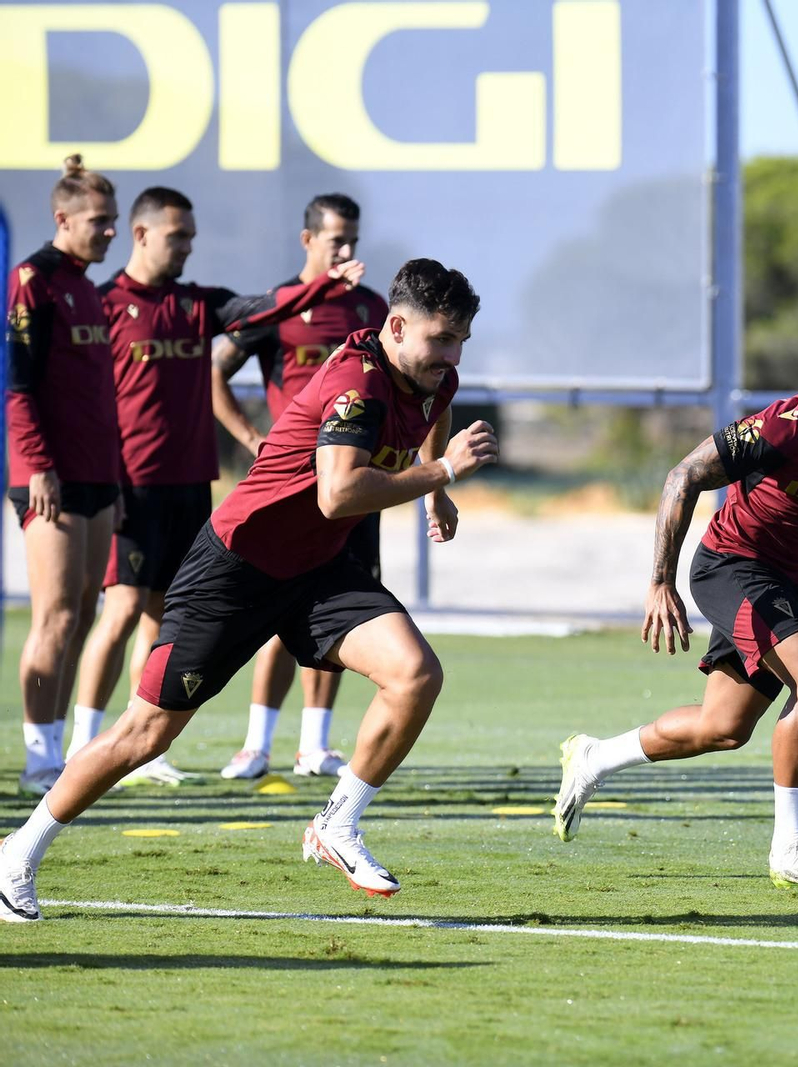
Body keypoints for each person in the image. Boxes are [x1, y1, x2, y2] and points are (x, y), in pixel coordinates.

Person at [0, 259, 497, 922]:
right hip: (238, 566)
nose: (452, 354)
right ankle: (17, 855)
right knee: (146, 733)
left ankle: (337, 825)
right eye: (441, 338)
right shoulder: (358, 382)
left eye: (462, 338)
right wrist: (439, 472)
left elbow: (433, 412)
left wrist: (434, 490)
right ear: (397, 326)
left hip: (320, 567)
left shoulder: (436, 375)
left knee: (416, 674)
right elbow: (339, 492)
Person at [553, 320, 798, 888]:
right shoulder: (787, 425)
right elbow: (683, 475)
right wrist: (659, 581)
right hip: (730, 568)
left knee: (723, 727)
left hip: (784, 585)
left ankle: (594, 757)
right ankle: (790, 846)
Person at [66, 185, 366, 784]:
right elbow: (78, 399)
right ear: (142, 233)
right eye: (178, 237)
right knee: (121, 608)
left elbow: (258, 309)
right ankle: (78, 745)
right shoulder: (104, 306)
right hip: (131, 484)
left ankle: (140, 747)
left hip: (190, 483)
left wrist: (323, 287)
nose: (186, 247)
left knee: (161, 615)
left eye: (192, 238)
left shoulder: (194, 304)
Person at [211, 193, 389, 780]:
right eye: (337, 239)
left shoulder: (370, 308)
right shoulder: (281, 304)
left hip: (352, 486)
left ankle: (314, 744)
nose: (346, 251)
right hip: (288, 490)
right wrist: (250, 437)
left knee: (342, 610)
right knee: (274, 605)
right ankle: (256, 743)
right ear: (307, 239)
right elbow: (215, 369)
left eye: (354, 241)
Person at [5, 155, 121, 797]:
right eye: (99, 222)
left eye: (113, 221)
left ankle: (59, 748)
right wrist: (38, 465)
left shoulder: (86, 286)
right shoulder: (35, 278)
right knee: (52, 615)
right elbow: (17, 384)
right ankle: (37, 756)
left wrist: (118, 479)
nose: (110, 232)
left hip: (99, 474)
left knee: (83, 609)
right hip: (47, 474)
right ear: (63, 219)